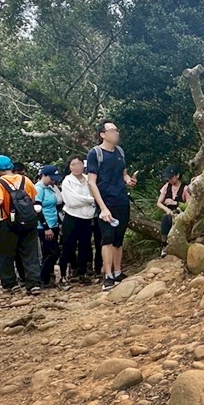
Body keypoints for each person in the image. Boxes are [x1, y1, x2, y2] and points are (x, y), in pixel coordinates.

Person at [87, 119, 137, 291]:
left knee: (119, 237)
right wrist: (102, 208)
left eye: (116, 130)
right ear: (103, 134)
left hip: (121, 200)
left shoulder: (120, 152)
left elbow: (123, 173)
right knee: (107, 238)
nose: (116, 133)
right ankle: (107, 276)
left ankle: (117, 272)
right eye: (112, 131)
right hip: (106, 202)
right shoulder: (95, 154)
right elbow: (92, 182)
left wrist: (128, 180)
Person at [0, 155, 42, 295]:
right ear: (11, 167)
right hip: (28, 220)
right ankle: (33, 284)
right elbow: (32, 199)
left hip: (8, 221)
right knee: (30, 253)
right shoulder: (26, 180)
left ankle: (10, 284)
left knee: (6, 254)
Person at [60, 154, 95, 284]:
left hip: (87, 217)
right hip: (71, 217)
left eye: (79, 164)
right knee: (68, 245)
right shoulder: (67, 181)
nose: (77, 167)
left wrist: (88, 200)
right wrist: (90, 200)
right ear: (69, 167)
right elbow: (72, 201)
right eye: (73, 164)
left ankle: (82, 273)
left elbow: (95, 194)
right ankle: (63, 275)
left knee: (85, 246)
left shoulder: (88, 179)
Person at [35, 164, 63, 288]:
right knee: (54, 252)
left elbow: (55, 207)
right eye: (51, 178)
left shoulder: (50, 188)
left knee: (48, 253)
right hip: (44, 226)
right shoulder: (39, 189)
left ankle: (47, 279)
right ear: (44, 175)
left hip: (54, 223)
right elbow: (37, 209)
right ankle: (41, 277)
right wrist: (46, 227)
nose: (53, 181)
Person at [157, 165, 190, 257]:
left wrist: (176, 203)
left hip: (181, 213)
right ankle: (164, 244)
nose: (169, 180)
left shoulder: (185, 188)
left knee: (172, 219)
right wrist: (167, 210)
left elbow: (189, 205)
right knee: (166, 219)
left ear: (178, 176)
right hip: (169, 213)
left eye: (171, 177)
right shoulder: (166, 187)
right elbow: (159, 202)